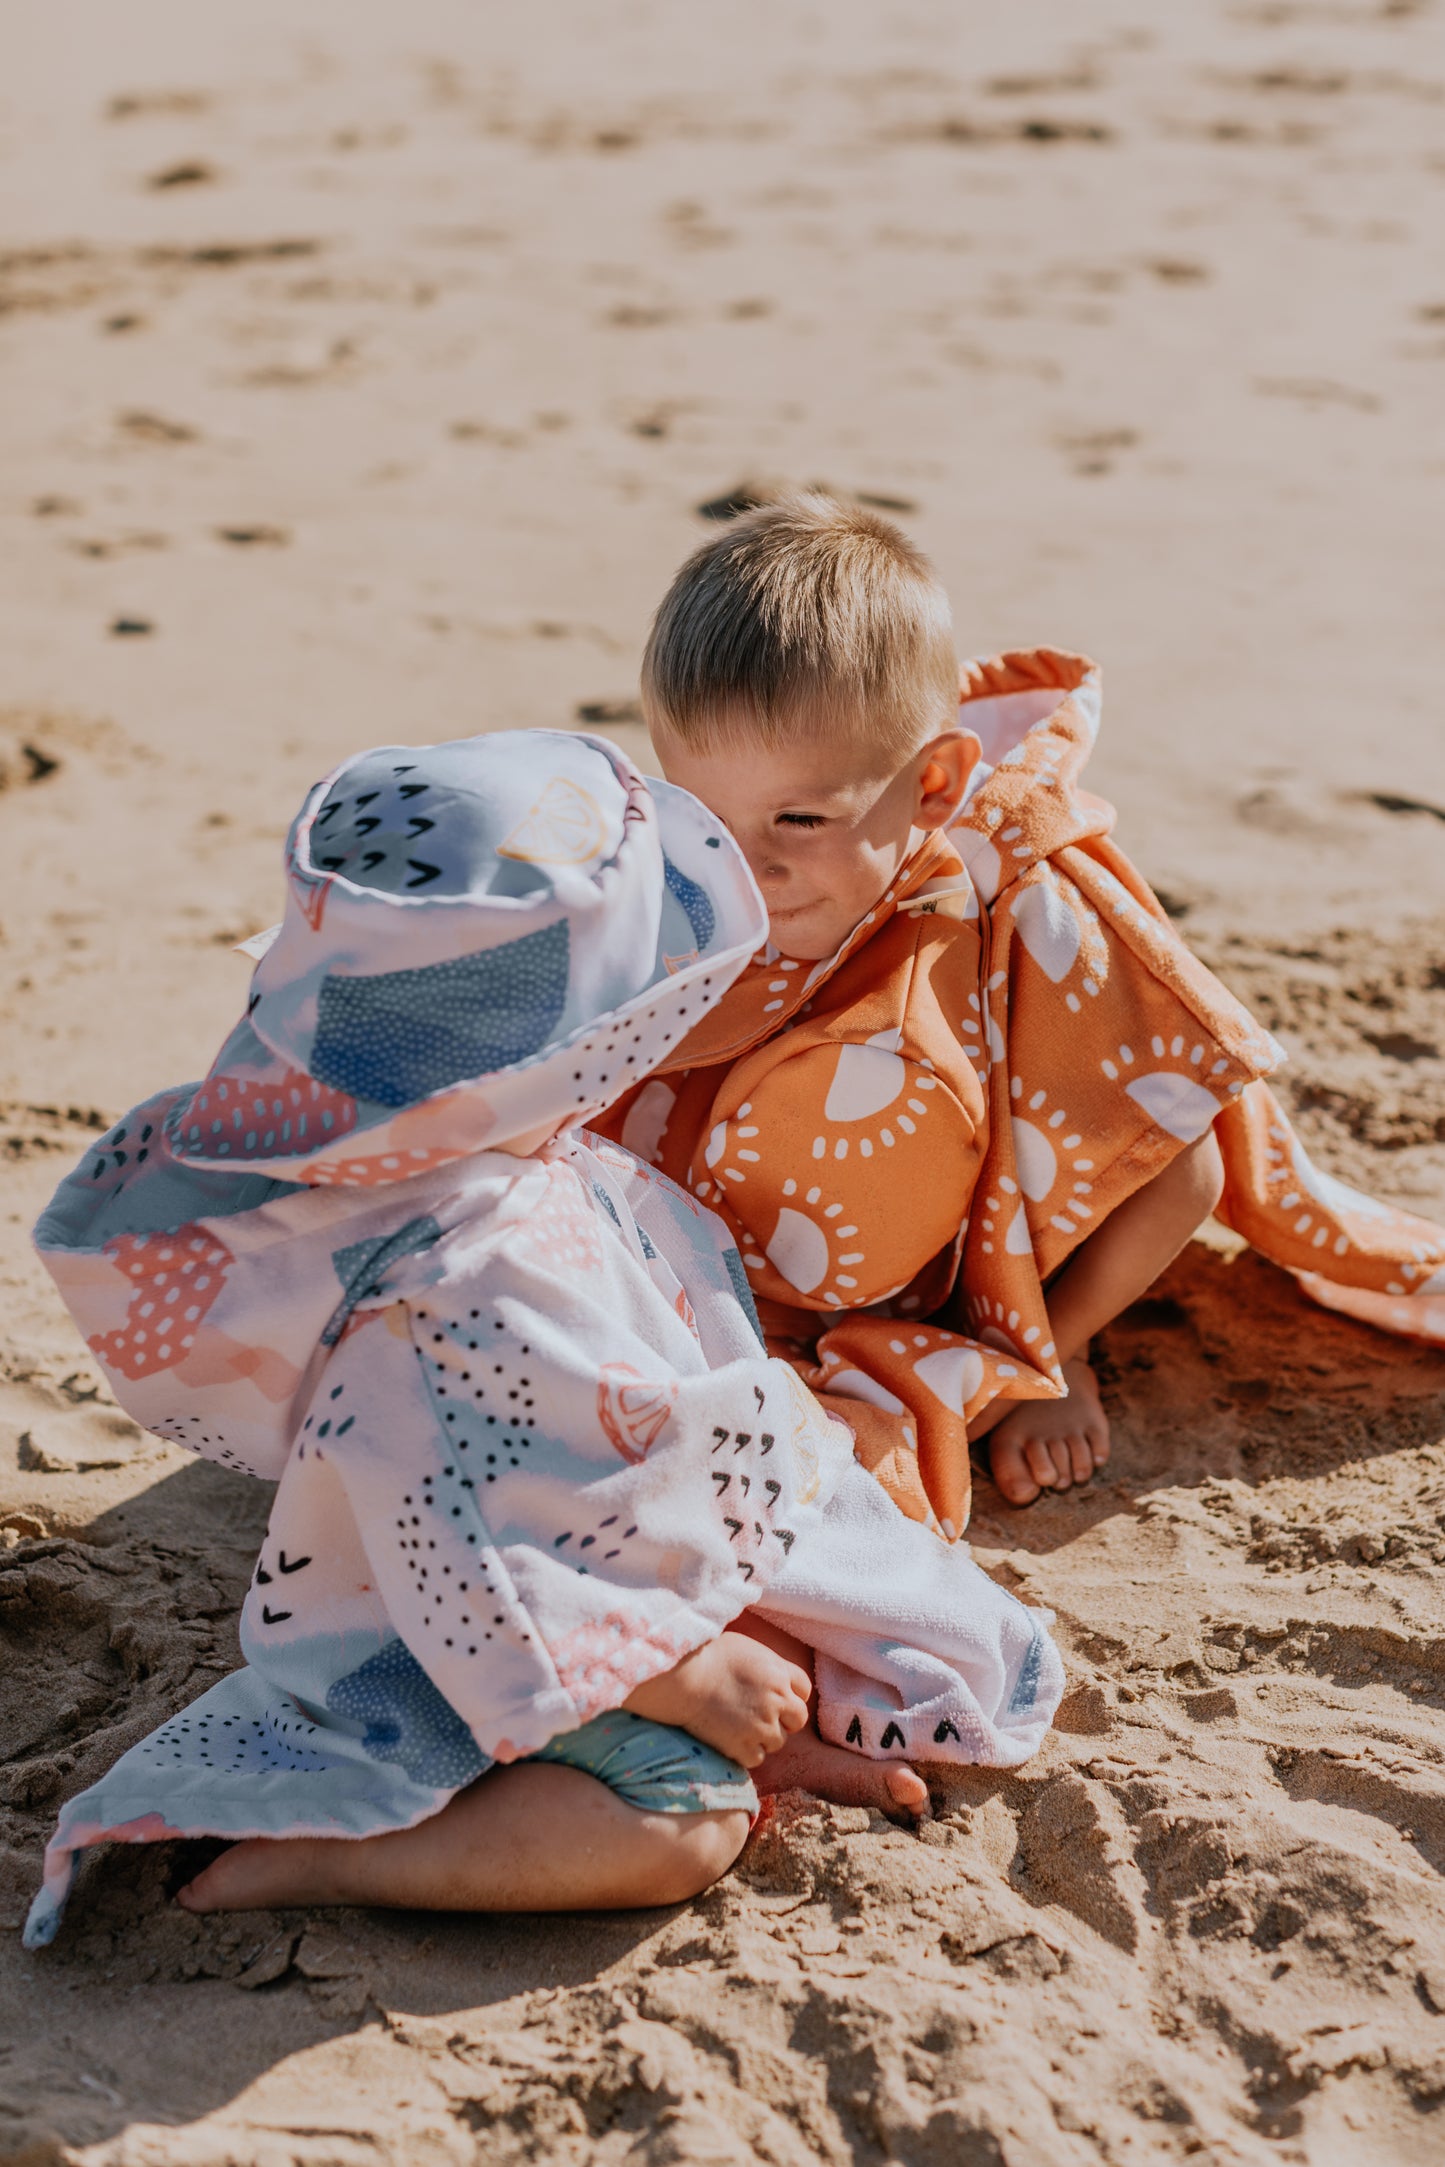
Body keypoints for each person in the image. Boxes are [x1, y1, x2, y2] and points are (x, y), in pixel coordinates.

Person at [24, 729, 1062, 1950]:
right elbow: (469, 1540)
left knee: (780, 1611)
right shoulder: (463, 1280)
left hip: (569, 1561)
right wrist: (669, 1677)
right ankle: (334, 1857)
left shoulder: (445, 1141)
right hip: (466, 1632)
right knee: (680, 1825)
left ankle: (753, 1731)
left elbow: (610, 1438)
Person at [597, 495, 1445, 1527]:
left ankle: (1048, 1355)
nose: (750, 860)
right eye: (706, 815)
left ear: (937, 781)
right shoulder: (684, 876)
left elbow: (1162, 1083)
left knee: (1184, 1162)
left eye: (800, 817)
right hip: (797, 1222)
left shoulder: (1018, 891)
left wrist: (1044, 1312)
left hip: (1001, 1212)